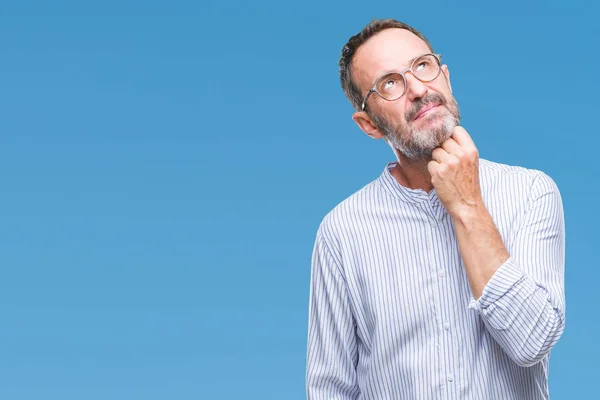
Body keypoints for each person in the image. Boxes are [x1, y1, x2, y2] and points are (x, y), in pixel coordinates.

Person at [305, 19, 566, 400]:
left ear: (445, 76)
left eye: (422, 66)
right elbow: (330, 389)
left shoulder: (531, 193)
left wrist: (467, 205)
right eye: (389, 83)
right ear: (368, 125)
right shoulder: (342, 232)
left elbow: (533, 341)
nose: (416, 89)